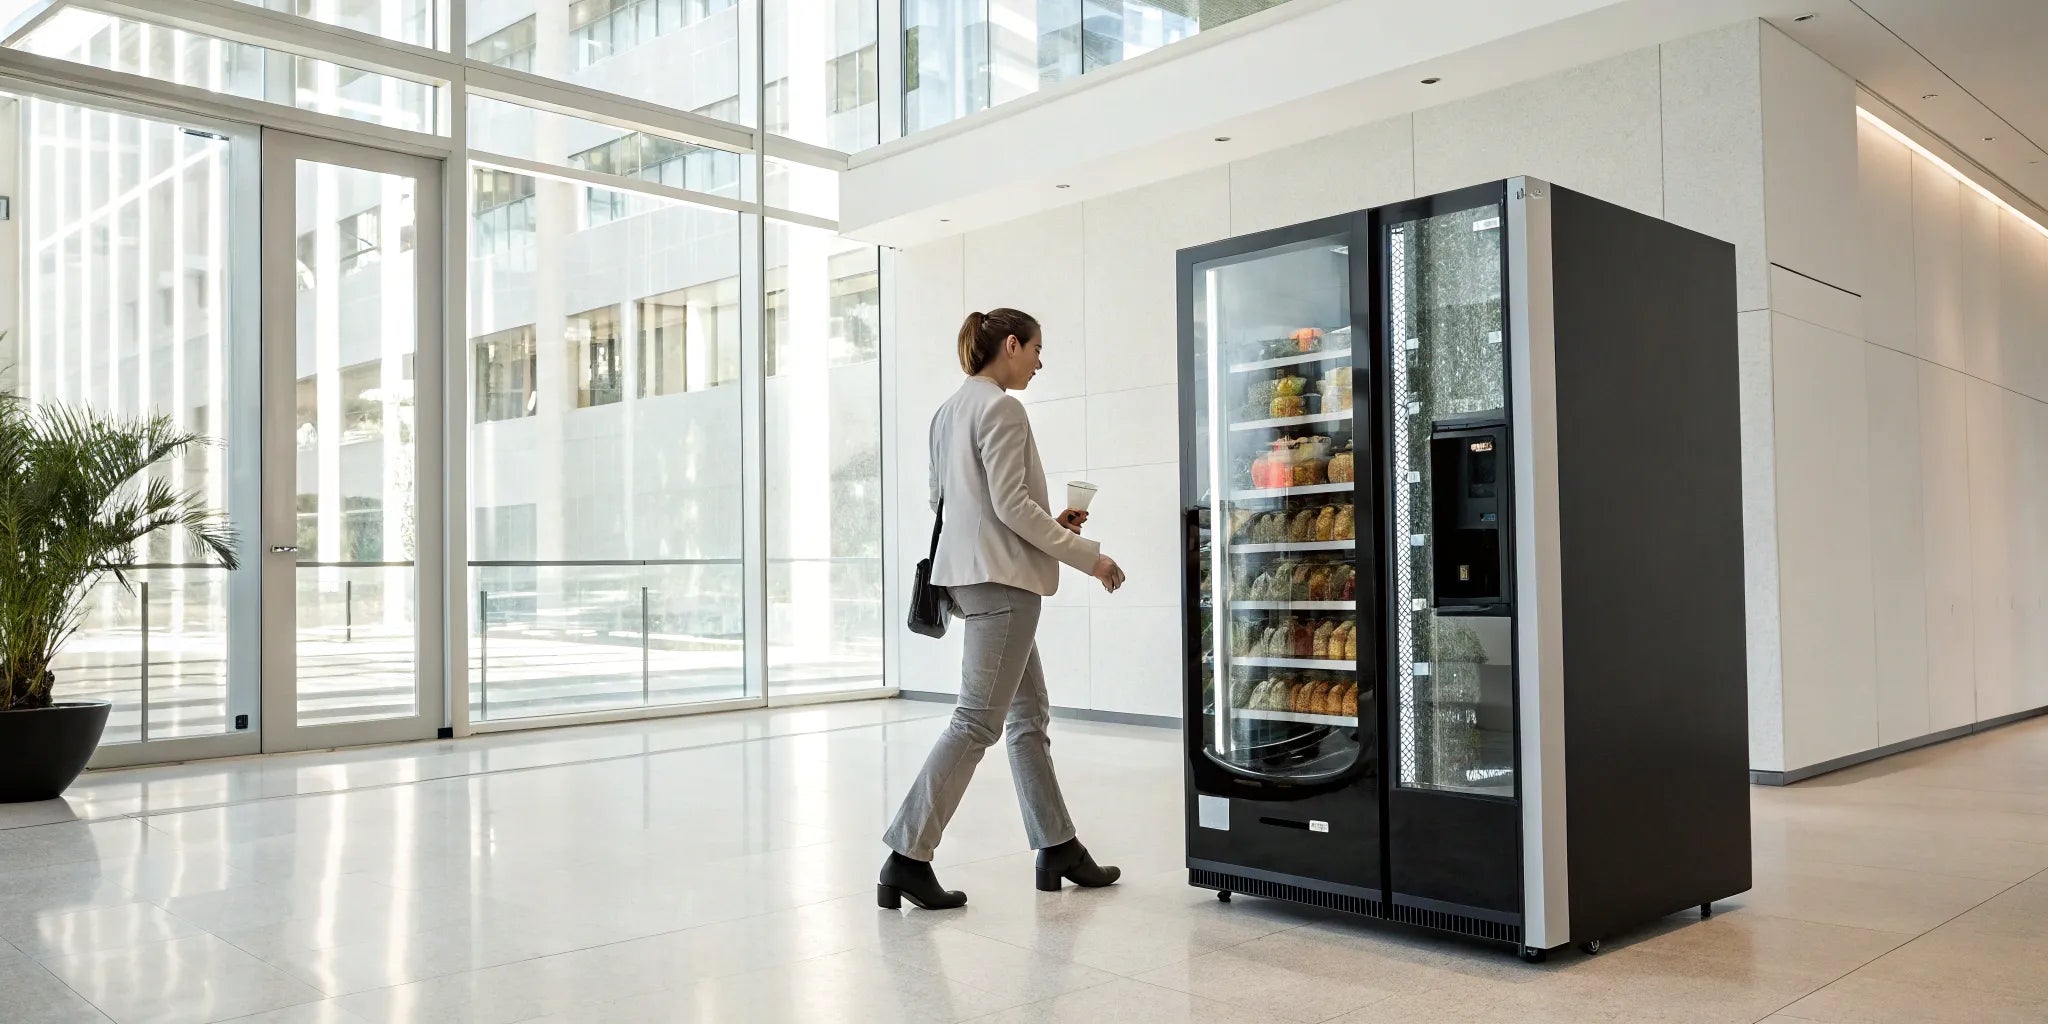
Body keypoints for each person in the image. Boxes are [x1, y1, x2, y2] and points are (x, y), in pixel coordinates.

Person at [878, 308, 1127, 911]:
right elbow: (1012, 507)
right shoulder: (1004, 408)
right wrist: (1088, 556)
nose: (1040, 362)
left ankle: (1058, 846)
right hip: (1003, 585)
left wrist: (1049, 525)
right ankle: (906, 858)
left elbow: (958, 503)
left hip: (968, 578)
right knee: (978, 721)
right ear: (1010, 345)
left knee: (1027, 716)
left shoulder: (947, 411)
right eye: (1037, 349)